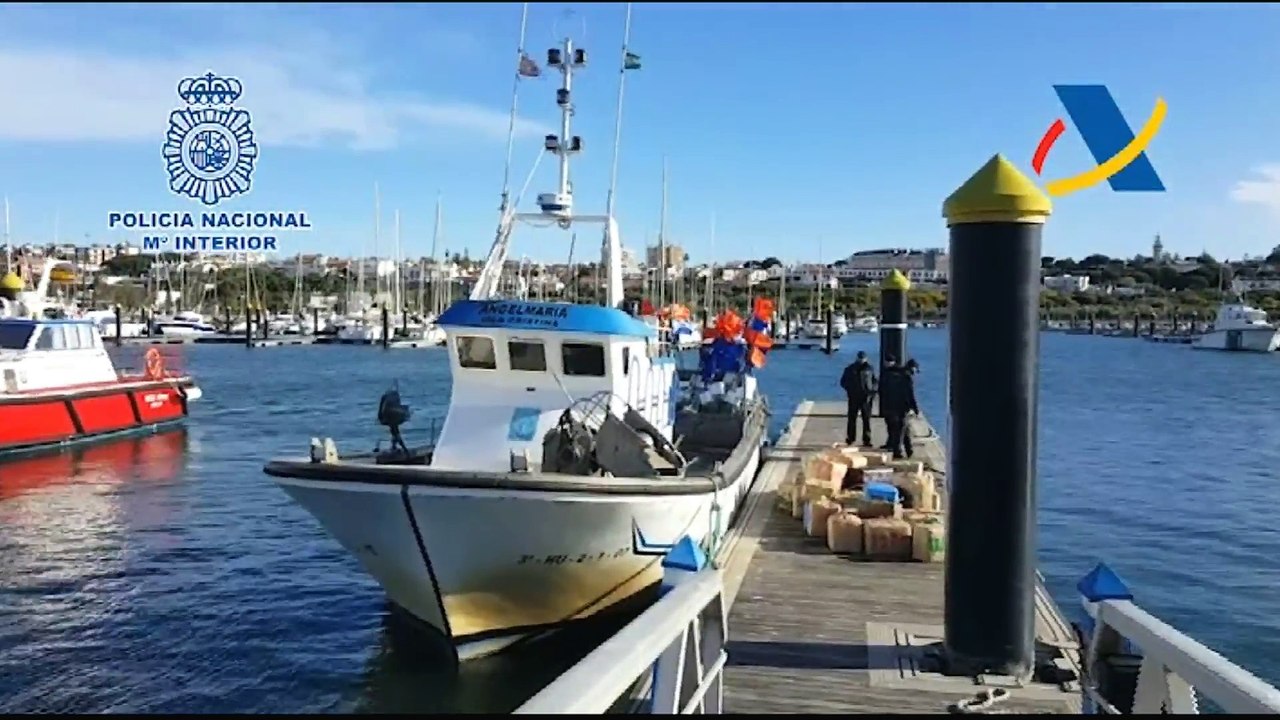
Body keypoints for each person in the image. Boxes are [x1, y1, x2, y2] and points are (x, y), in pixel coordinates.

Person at [878, 357, 920, 459]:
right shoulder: (906, 377)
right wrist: (915, 409)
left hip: (890, 405)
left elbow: (882, 389)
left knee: (903, 429)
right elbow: (910, 394)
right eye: (915, 371)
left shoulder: (891, 374)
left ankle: (909, 451)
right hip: (901, 407)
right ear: (912, 368)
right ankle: (898, 451)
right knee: (901, 430)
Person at [838, 350, 877, 446]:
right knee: (852, 418)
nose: (861, 360)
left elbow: (875, 381)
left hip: (866, 398)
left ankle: (867, 439)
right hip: (854, 397)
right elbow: (843, 382)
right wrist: (850, 390)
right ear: (857, 358)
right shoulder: (850, 369)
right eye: (860, 358)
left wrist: (872, 391)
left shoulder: (869, 369)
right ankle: (851, 438)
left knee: (866, 419)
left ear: (866, 359)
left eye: (863, 358)